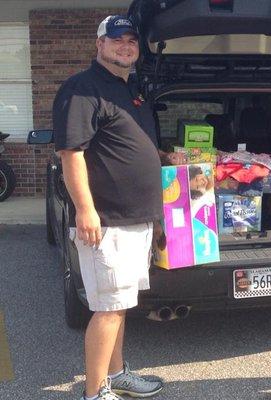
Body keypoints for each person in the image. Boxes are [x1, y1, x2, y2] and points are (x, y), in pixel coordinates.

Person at [53, 15, 167, 400]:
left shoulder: (128, 89)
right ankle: (94, 392)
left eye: (132, 40)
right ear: (99, 44)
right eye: (116, 39)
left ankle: (116, 374)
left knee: (119, 304)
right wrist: (86, 210)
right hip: (108, 222)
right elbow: (71, 154)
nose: (126, 46)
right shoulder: (81, 90)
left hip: (136, 220)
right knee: (107, 309)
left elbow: (127, 147)